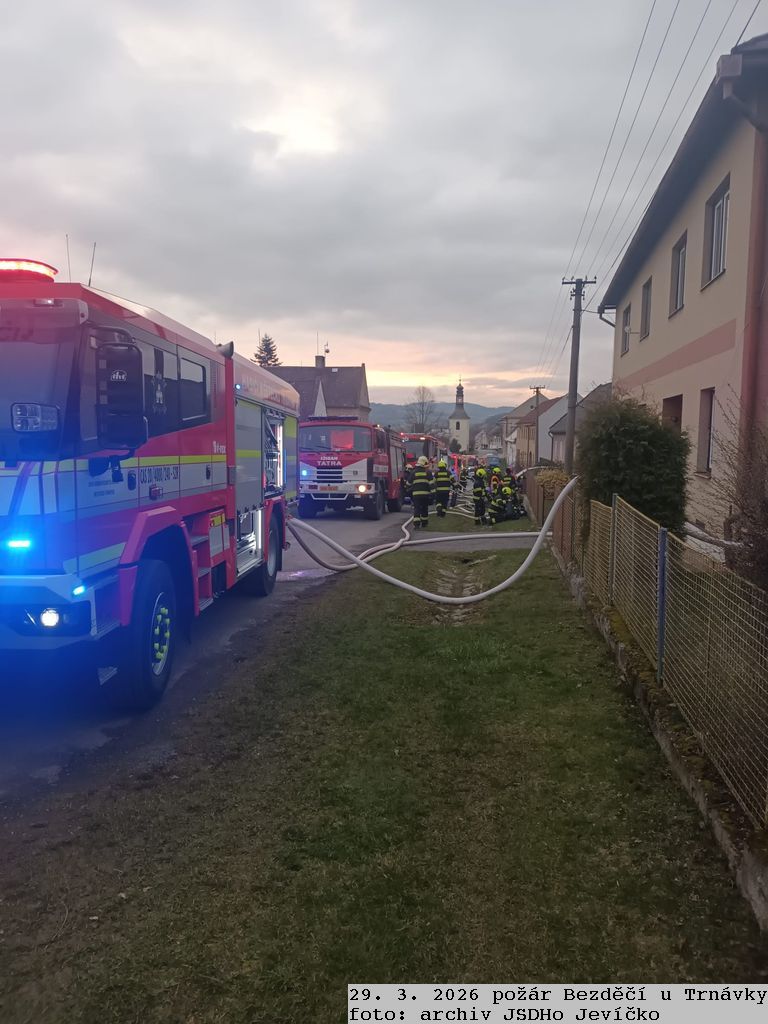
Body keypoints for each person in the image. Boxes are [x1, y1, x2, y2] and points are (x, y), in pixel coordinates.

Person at [410, 455, 434, 529]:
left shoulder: (413, 472)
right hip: (425, 495)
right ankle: (424, 524)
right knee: (424, 509)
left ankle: (416, 525)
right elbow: (432, 484)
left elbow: (408, 483)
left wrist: (408, 490)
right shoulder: (428, 473)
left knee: (417, 509)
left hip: (416, 495)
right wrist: (433, 494)